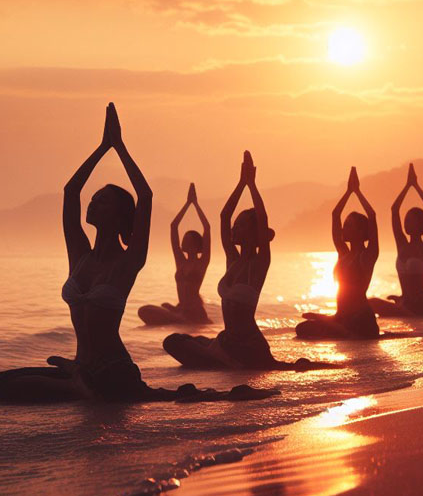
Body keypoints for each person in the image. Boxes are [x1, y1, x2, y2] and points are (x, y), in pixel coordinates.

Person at [0, 105, 275, 403]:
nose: (92, 204)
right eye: (94, 200)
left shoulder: (129, 260)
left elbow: (146, 197)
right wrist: (103, 147)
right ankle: (79, 383)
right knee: (1, 383)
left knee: (15, 388)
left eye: (102, 202)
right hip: (84, 364)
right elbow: (71, 192)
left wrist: (121, 148)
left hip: (112, 369)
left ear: (119, 216)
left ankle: (84, 387)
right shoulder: (80, 256)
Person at [164, 152, 339, 370]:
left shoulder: (259, 263)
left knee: (188, 348)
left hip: (247, 345)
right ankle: (218, 355)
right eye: (235, 226)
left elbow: (262, 217)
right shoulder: (232, 260)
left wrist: (253, 186)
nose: (234, 229)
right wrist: (241, 183)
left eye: (241, 226)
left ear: (254, 232)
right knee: (174, 341)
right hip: (227, 340)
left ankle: (223, 358)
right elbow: (223, 217)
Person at [296, 167, 380, 339]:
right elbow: (335, 215)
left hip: (361, 319)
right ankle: (336, 325)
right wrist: (348, 192)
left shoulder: (367, 255)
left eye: (349, 225)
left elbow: (372, 216)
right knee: (302, 328)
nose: (344, 228)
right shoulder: (343, 253)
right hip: (342, 317)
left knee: (315, 328)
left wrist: (358, 192)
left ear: (361, 231)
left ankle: (343, 330)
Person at [368, 163, 423, 316]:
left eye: (410, 220)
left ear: (421, 224)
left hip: (422, 303)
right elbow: (394, 210)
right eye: (405, 220)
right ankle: (401, 306)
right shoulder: (401, 244)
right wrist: (407, 186)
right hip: (406, 302)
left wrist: (416, 186)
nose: (406, 223)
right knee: (370, 303)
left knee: (372, 302)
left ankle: (403, 309)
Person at [138, 183, 212, 325]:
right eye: (184, 239)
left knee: (156, 313)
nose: (183, 242)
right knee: (151, 308)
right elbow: (173, 226)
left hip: (194, 311)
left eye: (187, 240)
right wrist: (187, 203)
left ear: (196, 246)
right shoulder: (181, 261)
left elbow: (207, 228)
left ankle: (179, 319)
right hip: (181, 309)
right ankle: (177, 318)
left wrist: (195, 204)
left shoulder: (202, 263)